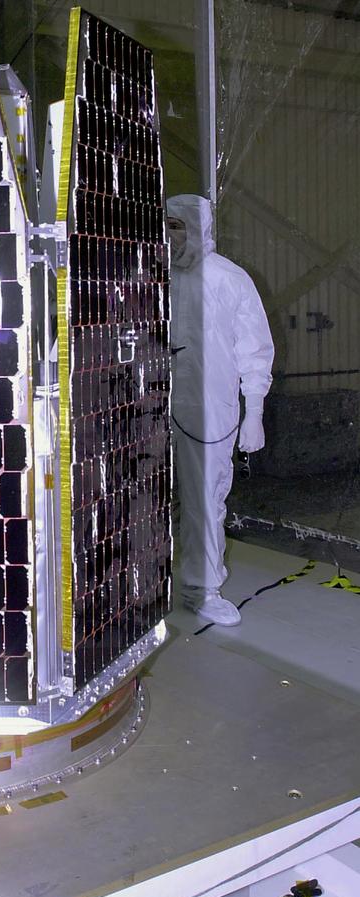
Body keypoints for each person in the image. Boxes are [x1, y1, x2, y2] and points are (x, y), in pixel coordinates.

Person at [166, 194, 274, 625]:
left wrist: (255, 411)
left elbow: (255, 351)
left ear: (200, 227)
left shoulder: (230, 279)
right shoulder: (153, 276)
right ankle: (150, 580)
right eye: (168, 224)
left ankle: (202, 586)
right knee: (146, 500)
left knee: (205, 502)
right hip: (156, 408)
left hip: (210, 413)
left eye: (179, 226)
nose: (172, 235)